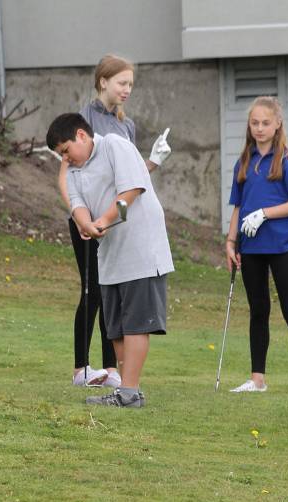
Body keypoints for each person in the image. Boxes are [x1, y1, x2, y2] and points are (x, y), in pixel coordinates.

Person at [57, 55, 171, 389]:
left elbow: (131, 183)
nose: (127, 90)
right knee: (97, 293)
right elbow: (71, 178)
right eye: (122, 83)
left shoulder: (125, 126)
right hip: (93, 223)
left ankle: (117, 376)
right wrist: (83, 218)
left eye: (131, 84)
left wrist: (153, 161)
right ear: (103, 81)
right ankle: (83, 367)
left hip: (120, 223)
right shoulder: (83, 121)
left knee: (122, 299)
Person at [226, 95, 288, 397]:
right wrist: (230, 241)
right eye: (255, 123)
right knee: (258, 311)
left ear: (277, 124)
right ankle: (257, 379)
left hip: (281, 246)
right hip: (250, 248)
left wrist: (265, 213)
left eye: (266, 123)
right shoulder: (245, 161)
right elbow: (237, 206)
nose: (260, 128)